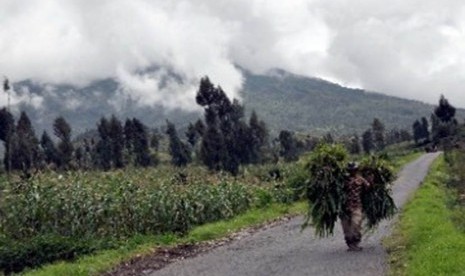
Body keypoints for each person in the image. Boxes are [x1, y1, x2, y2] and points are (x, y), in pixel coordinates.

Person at [341, 162, 371, 251]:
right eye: (350, 170)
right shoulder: (343, 180)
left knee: (356, 224)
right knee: (346, 228)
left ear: (356, 170)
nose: (352, 172)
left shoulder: (361, 179)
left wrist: (371, 180)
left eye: (354, 170)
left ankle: (356, 242)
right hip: (344, 207)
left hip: (356, 205)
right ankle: (350, 245)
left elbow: (368, 188)